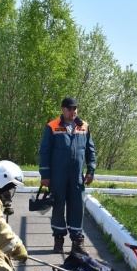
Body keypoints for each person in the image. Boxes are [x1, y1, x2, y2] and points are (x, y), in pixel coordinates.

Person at [39, 96, 97, 255]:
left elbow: (90, 150)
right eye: (69, 108)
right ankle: (58, 240)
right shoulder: (52, 126)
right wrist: (45, 174)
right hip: (58, 176)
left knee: (77, 207)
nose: (73, 111)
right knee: (58, 207)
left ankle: (77, 242)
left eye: (75, 108)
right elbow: (44, 151)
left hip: (77, 177)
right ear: (62, 109)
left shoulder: (84, 127)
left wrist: (91, 170)